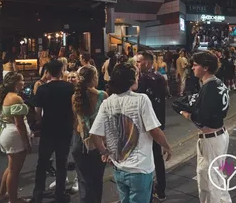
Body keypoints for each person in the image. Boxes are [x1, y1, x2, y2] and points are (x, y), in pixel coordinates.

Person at [90, 63, 172, 203]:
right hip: (139, 169)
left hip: (119, 168)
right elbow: (154, 130)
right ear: (130, 81)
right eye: (136, 76)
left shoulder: (107, 102)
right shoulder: (141, 99)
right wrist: (166, 146)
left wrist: (104, 153)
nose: (138, 78)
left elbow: (94, 134)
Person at [180, 51, 231, 203]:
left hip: (212, 139)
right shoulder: (218, 83)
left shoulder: (209, 87)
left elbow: (202, 119)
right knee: (218, 176)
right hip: (219, 136)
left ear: (206, 67)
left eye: (195, 65)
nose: (192, 68)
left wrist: (187, 114)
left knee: (209, 181)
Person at [31, 60, 75, 203]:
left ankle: (38, 193)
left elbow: (37, 112)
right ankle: (60, 194)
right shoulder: (70, 88)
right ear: (61, 71)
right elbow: (74, 108)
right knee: (61, 162)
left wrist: (41, 122)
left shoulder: (42, 89)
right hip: (65, 129)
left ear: (48, 72)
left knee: (42, 162)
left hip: (48, 129)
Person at [72, 66, 108, 203]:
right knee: (97, 179)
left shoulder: (75, 97)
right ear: (93, 78)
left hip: (79, 142)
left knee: (84, 180)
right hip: (98, 143)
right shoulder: (102, 95)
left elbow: (74, 122)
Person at [0, 72, 31, 203]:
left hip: (6, 134)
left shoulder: (6, 96)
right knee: (14, 171)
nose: (24, 82)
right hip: (14, 136)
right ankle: (13, 200)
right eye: (22, 80)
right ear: (15, 83)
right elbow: (19, 124)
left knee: (10, 168)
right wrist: (27, 143)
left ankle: (2, 195)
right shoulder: (16, 98)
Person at [136, 52, 168, 201]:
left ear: (147, 63)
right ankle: (161, 189)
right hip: (158, 122)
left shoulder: (142, 79)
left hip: (145, 124)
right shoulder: (160, 77)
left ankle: (147, 191)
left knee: (145, 157)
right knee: (157, 156)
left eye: (139, 62)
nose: (136, 65)